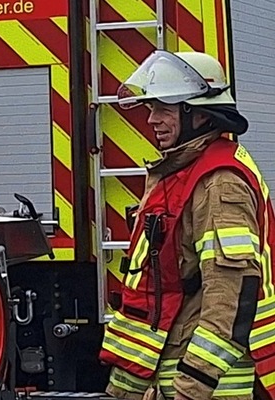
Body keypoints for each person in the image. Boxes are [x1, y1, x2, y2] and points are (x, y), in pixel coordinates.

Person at [100, 50, 275, 400]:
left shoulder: (220, 184)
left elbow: (229, 297)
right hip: (166, 366)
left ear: (198, 115)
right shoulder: (181, 173)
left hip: (209, 385)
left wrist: (190, 389)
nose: (151, 120)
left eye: (163, 108)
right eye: (150, 108)